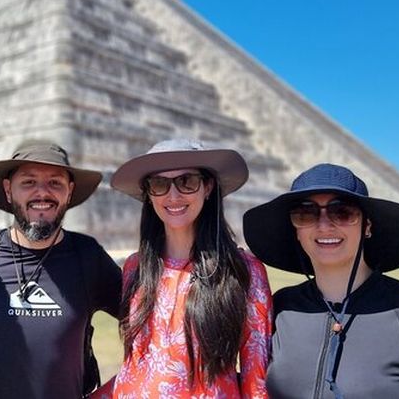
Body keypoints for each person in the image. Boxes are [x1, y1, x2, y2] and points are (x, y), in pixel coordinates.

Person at [243, 163, 399, 399]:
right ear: (296, 230)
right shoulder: (280, 309)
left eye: (342, 212)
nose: (324, 225)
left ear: (367, 226)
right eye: (306, 213)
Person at [0, 140, 123, 398]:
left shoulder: (88, 257)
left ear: (69, 191)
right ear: (9, 190)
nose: (42, 193)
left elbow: (152, 324)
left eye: (55, 183)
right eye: (29, 182)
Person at [100, 139, 272, 397]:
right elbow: (136, 366)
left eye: (187, 181)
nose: (173, 195)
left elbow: (255, 379)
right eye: (159, 184)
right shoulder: (136, 268)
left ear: (207, 187)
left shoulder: (243, 271)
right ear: (148, 194)